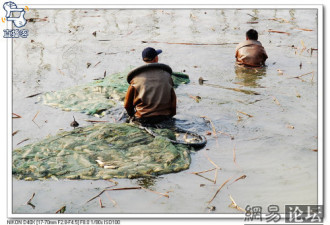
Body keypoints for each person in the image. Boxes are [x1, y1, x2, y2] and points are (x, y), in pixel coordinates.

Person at [124, 47, 177, 125]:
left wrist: (132, 115)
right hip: (164, 118)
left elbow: (127, 105)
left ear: (143, 60)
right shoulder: (167, 76)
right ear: (156, 58)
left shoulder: (135, 79)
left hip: (143, 119)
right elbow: (173, 101)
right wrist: (170, 116)